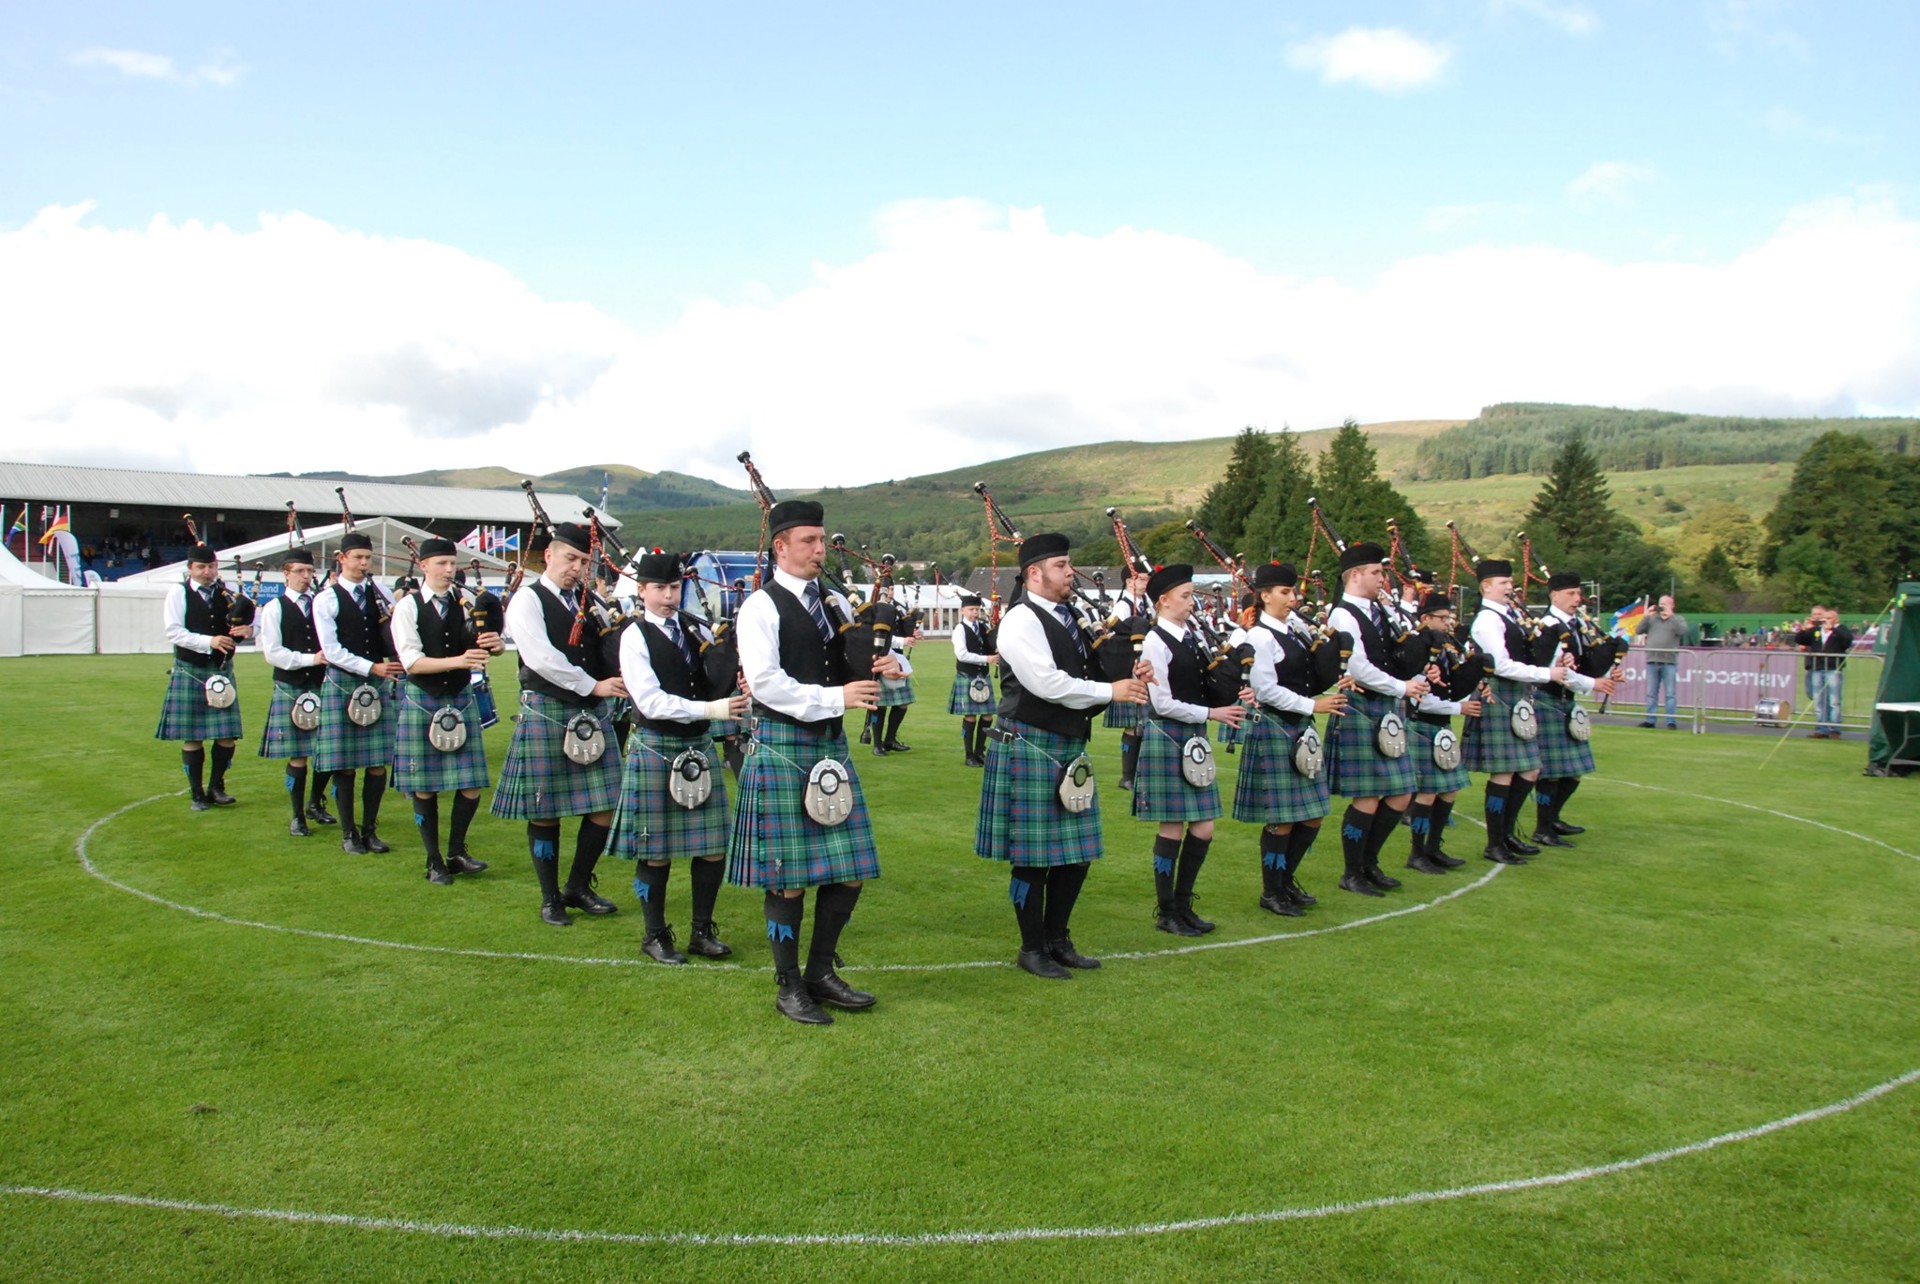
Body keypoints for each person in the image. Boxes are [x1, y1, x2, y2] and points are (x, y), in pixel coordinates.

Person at [728, 500, 899, 1024]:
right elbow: (764, 683)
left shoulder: (835, 603)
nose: (819, 551)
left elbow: (862, 654)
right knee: (787, 877)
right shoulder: (760, 606)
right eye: (808, 542)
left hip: (829, 748)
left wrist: (894, 663)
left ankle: (820, 973)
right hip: (784, 745)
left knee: (848, 872)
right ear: (780, 546)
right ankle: (788, 986)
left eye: (822, 541)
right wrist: (836, 699)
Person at [977, 533, 1150, 977]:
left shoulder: (1070, 615)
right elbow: (1046, 683)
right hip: (1029, 743)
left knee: (1076, 854)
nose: (1069, 571)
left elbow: (1091, 670)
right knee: (1032, 856)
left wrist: (1130, 673)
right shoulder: (1020, 620)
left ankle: (1059, 939)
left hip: (1067, 745)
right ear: (1034, 573)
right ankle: (1031, 948)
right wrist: (1109, 691)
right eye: (1061, 565)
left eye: (1069, 563)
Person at [608, 552, 750, 964]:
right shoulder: (634, 635)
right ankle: (655, 935)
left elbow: (709, 678)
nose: (669, 596)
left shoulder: (693, 626)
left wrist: (732, 673)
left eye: (674, 588)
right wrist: (712, 710)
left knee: (712, 848)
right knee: (656, 849)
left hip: (697, 744)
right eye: (660, 589)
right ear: (642, 590)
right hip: (656, 743)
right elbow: (650, 701)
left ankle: (701, 932)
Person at [492, 522, 630, 926]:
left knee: (604, 805)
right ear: (548, 556)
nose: (577, 568)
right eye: (571, 558)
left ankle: (577, 885)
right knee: (544, 809)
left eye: (585, 562)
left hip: (591, 711)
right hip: (549, 709)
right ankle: (550, 897)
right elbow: (540, 658)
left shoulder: (589, 602)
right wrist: (594, 685)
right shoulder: (526, 600)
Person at [1132, 564, 1247, 934]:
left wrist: (1232, 690)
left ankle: (1183, 904)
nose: (1191, 601)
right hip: (1169, 734)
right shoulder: (1154, 641)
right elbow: (1161, 702)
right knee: (1173, 827)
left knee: (1204, 827)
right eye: (1185, 596)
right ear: (1163, 601)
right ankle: (1167, 912)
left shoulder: (1190, 636)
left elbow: (1203, 685)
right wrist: (1213, 712)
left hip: (1192, 734)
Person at [1234, 562, 1347, 915]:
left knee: (1312, 815)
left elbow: (1308, 673)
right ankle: (1272, 891)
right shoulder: (1259, 636)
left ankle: (1286, 880)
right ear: (1264, 596)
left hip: (1301, 725)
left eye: (1293, 592)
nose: (1292, 598)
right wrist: (1314, 704)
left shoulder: (1295, 629)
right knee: (1282, 818)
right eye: (1284, 592)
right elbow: (1264, 689)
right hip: (1276, 726)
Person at [389, 538, 505, 885]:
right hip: (424, 698)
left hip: (460, 696)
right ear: (423, 566)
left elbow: (485, 644)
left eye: (452, 564)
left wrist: (497, 645)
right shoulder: (408, 607)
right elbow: (410, 662)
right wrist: (459, 661)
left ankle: (456, 852)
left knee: (470, 784)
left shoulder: (466, 604)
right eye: (440, 564)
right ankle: (433, 859)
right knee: (425, 787)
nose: (449, 570)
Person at [1323, 543, 1431, 897]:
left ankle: (1370, 862)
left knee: (1401, 794)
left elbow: (1392, 655)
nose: (1383, 579)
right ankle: (1352, 872)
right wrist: (1402, 686)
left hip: (1387, 708)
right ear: (1355, 575)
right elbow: (1357, 667)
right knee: (1367, 797)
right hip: (1363, 707)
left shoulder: (1380, 611)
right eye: (1377, 573)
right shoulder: (1343, 615)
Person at [1463, 560, 1569, 866]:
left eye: (1511, 583)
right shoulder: (1486, 620)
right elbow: (1500, 664)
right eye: (1503, 583)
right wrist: (1547, 675)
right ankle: (1495, 842)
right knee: (1505, 772)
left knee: (1530, 770)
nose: (1511, 588)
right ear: (1485, 587)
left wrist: (1553, 664)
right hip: (1498, 694)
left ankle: (1507, 834)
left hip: (1517, 695)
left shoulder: (1508, 616)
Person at [312, 533, 403, 853]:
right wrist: (372, 667)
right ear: (343, 559)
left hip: (377, 685)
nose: (364, 564)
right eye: (358, 558)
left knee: (378, 763)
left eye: (368, 558)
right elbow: (331, 650)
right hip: (344, 683)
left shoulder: (382, 594)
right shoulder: (326, 599)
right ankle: (349, 833)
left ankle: (370, 830)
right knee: (346, 764)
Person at [156, 543, 251, 812]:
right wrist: (210, 641)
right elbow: (174, 632)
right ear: (190, 568)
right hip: (191, 670)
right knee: (193, 736)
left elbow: (237, 626)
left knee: (226, 736)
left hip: (221, 669)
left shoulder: (226, 593)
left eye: (211, 566)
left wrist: (245, 630)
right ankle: (197, 793)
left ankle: (217, 787)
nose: (207, 572)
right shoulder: (179, 593)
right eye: (201, 567)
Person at [1526, 573, 1619, 847]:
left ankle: (1553, 818)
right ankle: (1542, 828)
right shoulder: (1547, 627)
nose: (1577, 600)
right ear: (1554, 595)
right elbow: (1556, 671)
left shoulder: (1575, 624)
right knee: (1551, 772)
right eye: (1571, 594)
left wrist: (1609, 669)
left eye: (1579, 594)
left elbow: (1583, 663)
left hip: (1566, 701)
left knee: (1573, 771)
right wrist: (1594, 684)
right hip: (1546, 700)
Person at [255, 547, 335, 835]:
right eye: (299, 572)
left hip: (323, 685)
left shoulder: (320, 604)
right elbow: (272, 652)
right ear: (286, 574)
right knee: (298, 754)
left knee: (327, 751)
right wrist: (309, 659)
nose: (306, 577)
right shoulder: (274, 607)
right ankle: (297, 815)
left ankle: (316, 802)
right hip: (292, 686)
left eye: (310, 571)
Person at [1403, 593, 1483, 875]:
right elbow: (1419, 698)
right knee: (1426, 793)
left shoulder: (1443, 648)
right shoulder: (1417, 649)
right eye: (1442, 618)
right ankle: (1417, 853)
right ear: (1425, 619)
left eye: (1449, 618)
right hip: (1422, 724)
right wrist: (1459, 707)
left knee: (1449, 790)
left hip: (1441, 725)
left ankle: (1434, 848)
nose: (1448, 623)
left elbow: (1450, 686)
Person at [1104, 569, 1151, 790]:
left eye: (1146, 578)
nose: (1145, 582)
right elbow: (1120, 636)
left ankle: (1138, 774)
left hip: (1146, 668)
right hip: (1130, 668)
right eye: (1141, 578)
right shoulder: (1124, 605)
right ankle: (1127, 776)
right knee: (1133, 725)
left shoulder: (1146, 603)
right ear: (1129, 581)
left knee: (1143, 725)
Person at [949, 594, 999, 767]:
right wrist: (987, 659)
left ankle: (980, 752)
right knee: (970, 716)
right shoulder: (960, 629)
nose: (975, 612)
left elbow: (991, 646)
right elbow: (961, 655)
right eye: (971, 609)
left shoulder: (984, 627)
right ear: (963, 610)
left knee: (987, 716)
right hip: (967, 675)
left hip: (982, 677)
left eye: (977, 609)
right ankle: (969, 755)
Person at [1793, 606, 1854, 739]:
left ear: (1835, 619)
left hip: (1833, 668)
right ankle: (1822, 728)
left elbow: (1847, 641)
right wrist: (1804, 629)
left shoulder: (1841, 630)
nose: (1825, 621)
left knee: (1834, 700)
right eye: (1824, 618)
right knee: (1819, 700)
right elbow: (1800, 640)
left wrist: (1833, 629)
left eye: (1828, 618)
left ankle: (1834, 728)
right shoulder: (1817, 631)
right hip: (1817, 668)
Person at [866, 613, 918, 755]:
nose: (890, 591)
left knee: (902, 704)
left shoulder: (899, 609)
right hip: (881, 659)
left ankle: (890, 740)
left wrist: (914, 632)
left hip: (899, 662)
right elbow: (881, 635)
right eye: (888, 589)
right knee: (879, 706)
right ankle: (877, 745)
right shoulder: (876, 609)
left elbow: (905, 630)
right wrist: (903, 641)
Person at [1635, 595, 1687, 729]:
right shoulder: (1652, 619)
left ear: (1672, 605)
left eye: (1665, 604)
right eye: (1660, 604)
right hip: (1653, 660)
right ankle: (1650, 720)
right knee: (1651, 693)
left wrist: (1671, 616)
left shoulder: (1678, 619)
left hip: (1669, 661)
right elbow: (1638, 630)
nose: (1662, 606)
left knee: (1670, 694)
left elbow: (1682, 631)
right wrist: (1646, 616)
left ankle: (1671, 721)